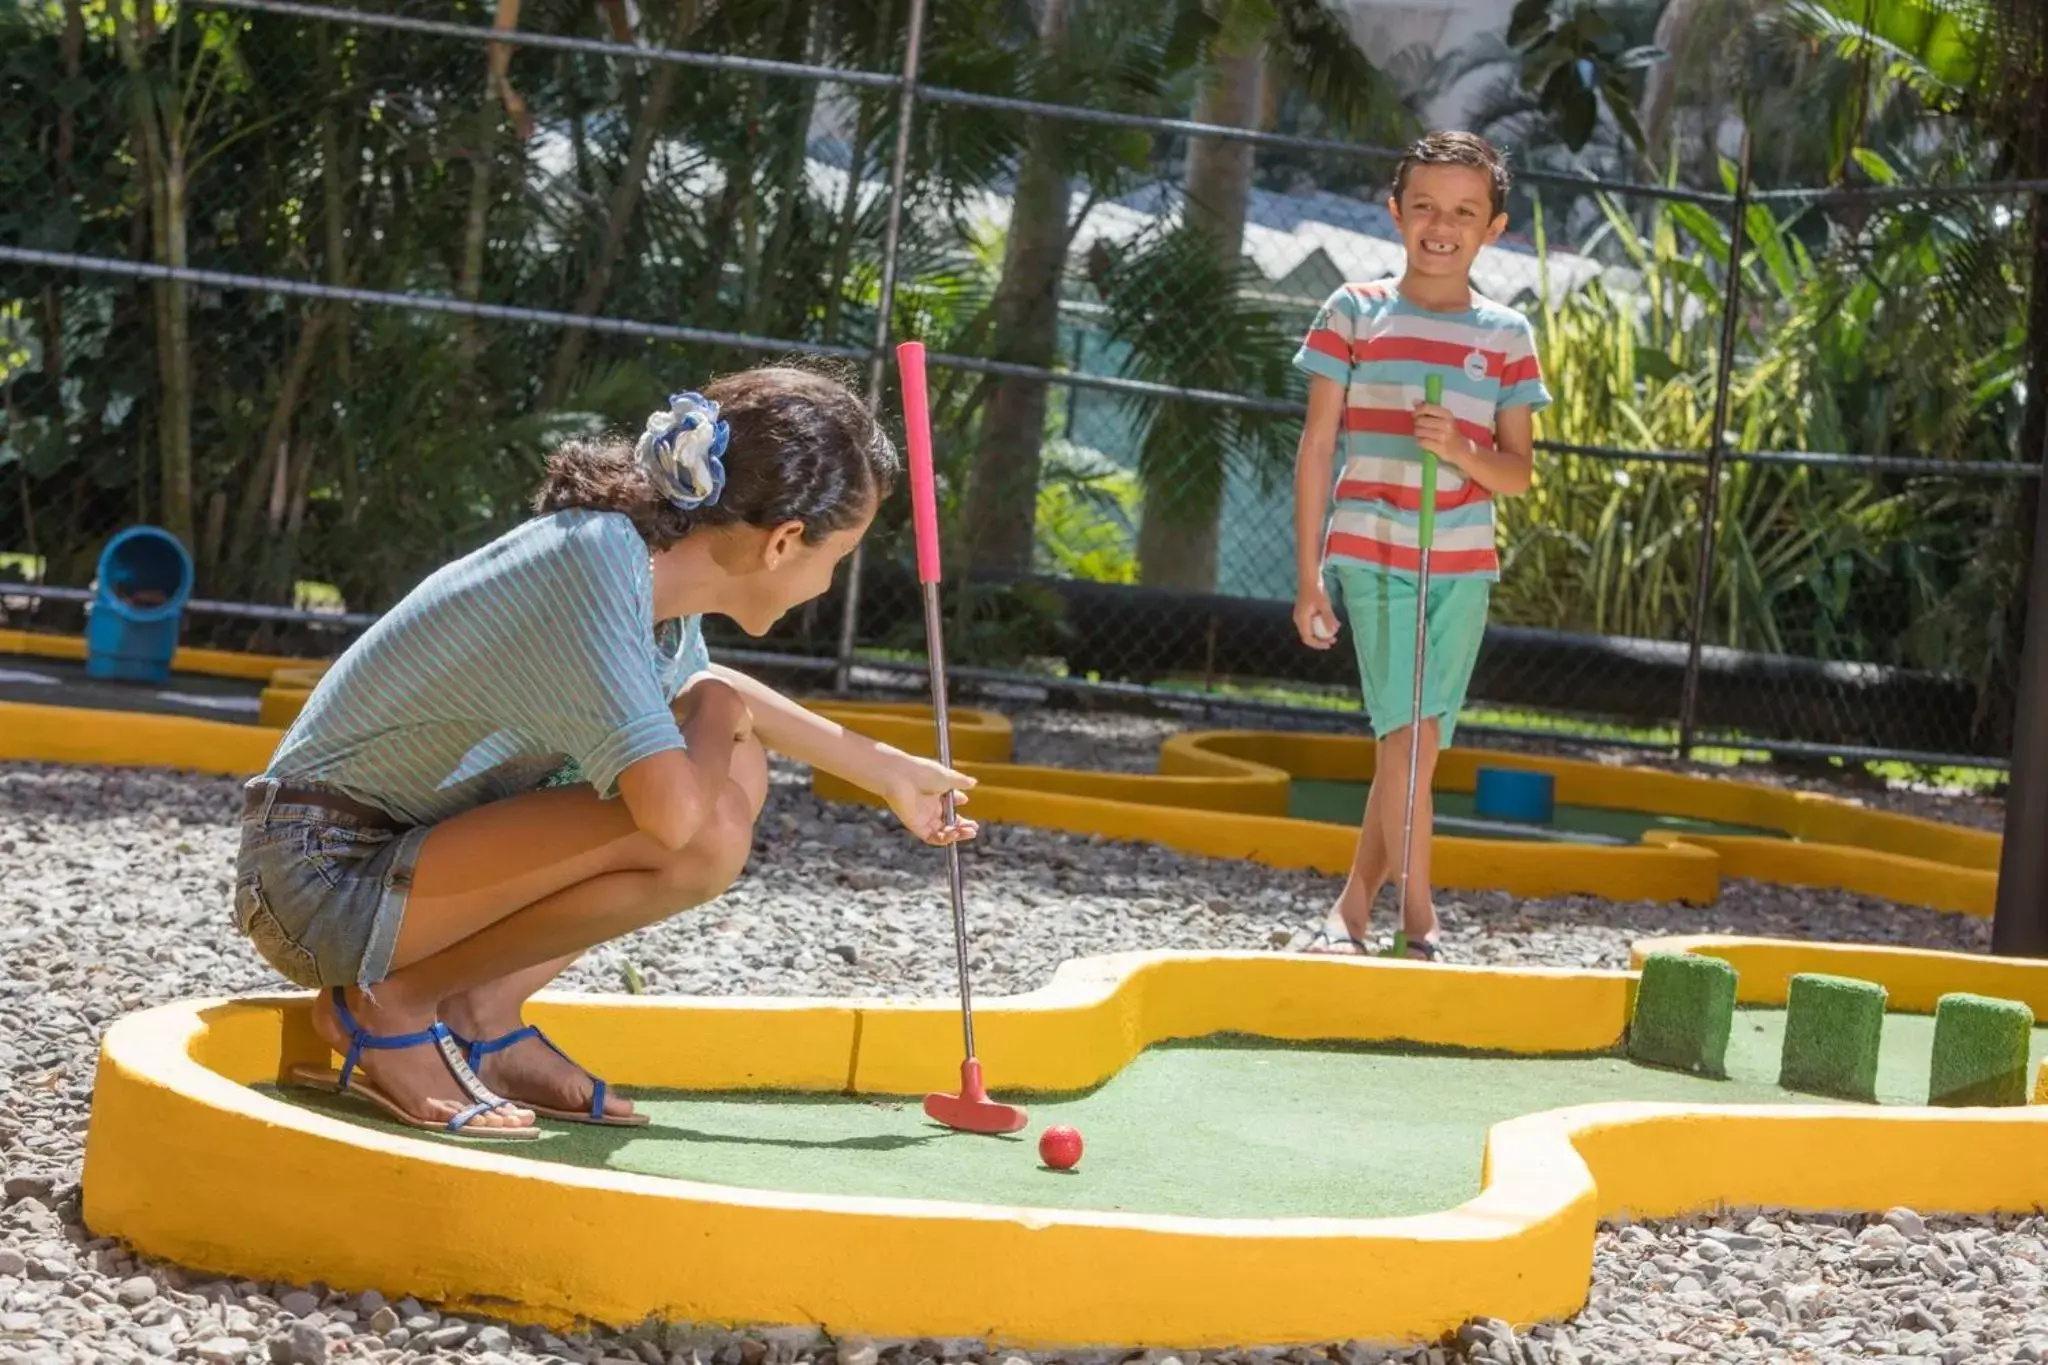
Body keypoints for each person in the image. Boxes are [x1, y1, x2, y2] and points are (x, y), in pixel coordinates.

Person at [233, 363, 978, 1138]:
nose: (826, 584)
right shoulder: (593, 565)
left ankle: (477, 1012)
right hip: (320, 875)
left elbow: (706, 689)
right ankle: (387, 1008)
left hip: (383, 864)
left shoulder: (640, 580)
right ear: (785, 541)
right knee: (706, 820)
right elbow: (671, 810)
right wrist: (717, 706)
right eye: (838, 558)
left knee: (733, 770)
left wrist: (887, 769)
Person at [1287, 131, 1552, 961]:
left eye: (1465, 212)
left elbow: (1517, 475)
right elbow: (1317, 445)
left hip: (1462, 564)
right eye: (1427, 207)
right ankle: (1423, 916)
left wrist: (1460, 451)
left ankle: (1350, 909)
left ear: (1493, 228)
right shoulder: (1353, 312)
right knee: (1403, 734)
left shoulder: (1506, 334)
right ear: (1396, 212)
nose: (1443, 225)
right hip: (1372, 552)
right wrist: (1307, 576)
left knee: (1417, 744)